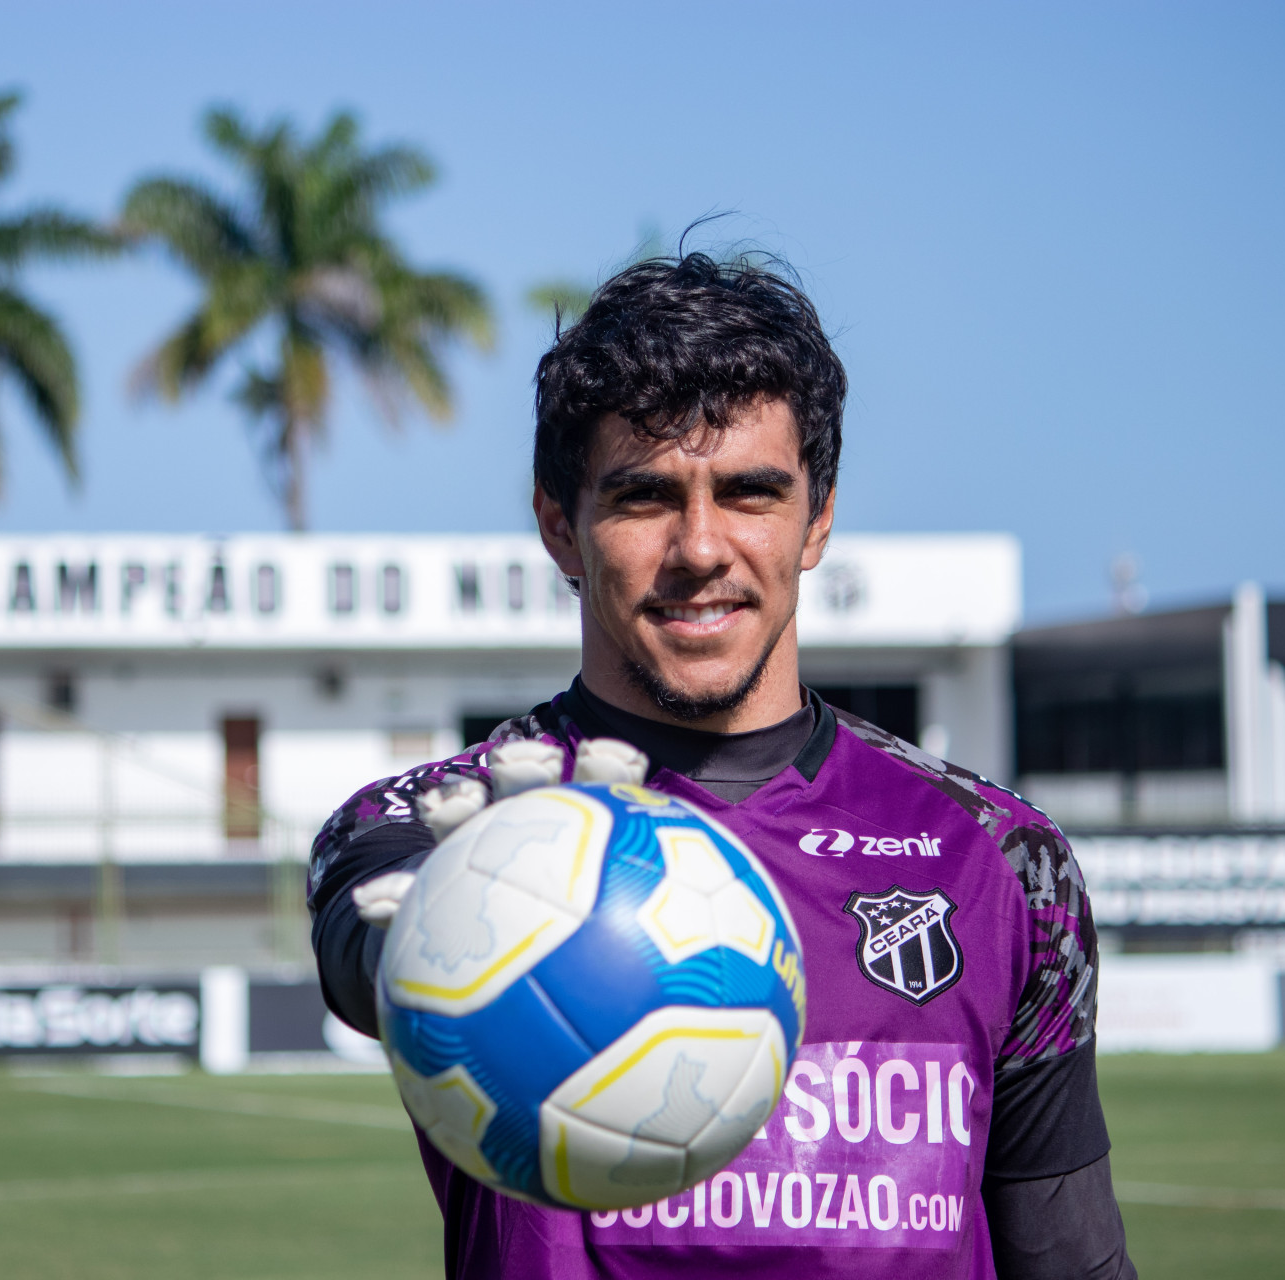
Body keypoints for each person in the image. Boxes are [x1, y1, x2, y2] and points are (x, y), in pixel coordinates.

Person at [308, 252, 1134, 1279]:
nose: (701, 546)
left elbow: (1075, 1259)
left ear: (817, 517)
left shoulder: (1005, 861)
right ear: (560, 525)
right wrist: (456, 905)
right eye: (646, 496)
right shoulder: (449, 821)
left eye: (750, 492)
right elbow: (363, 929)